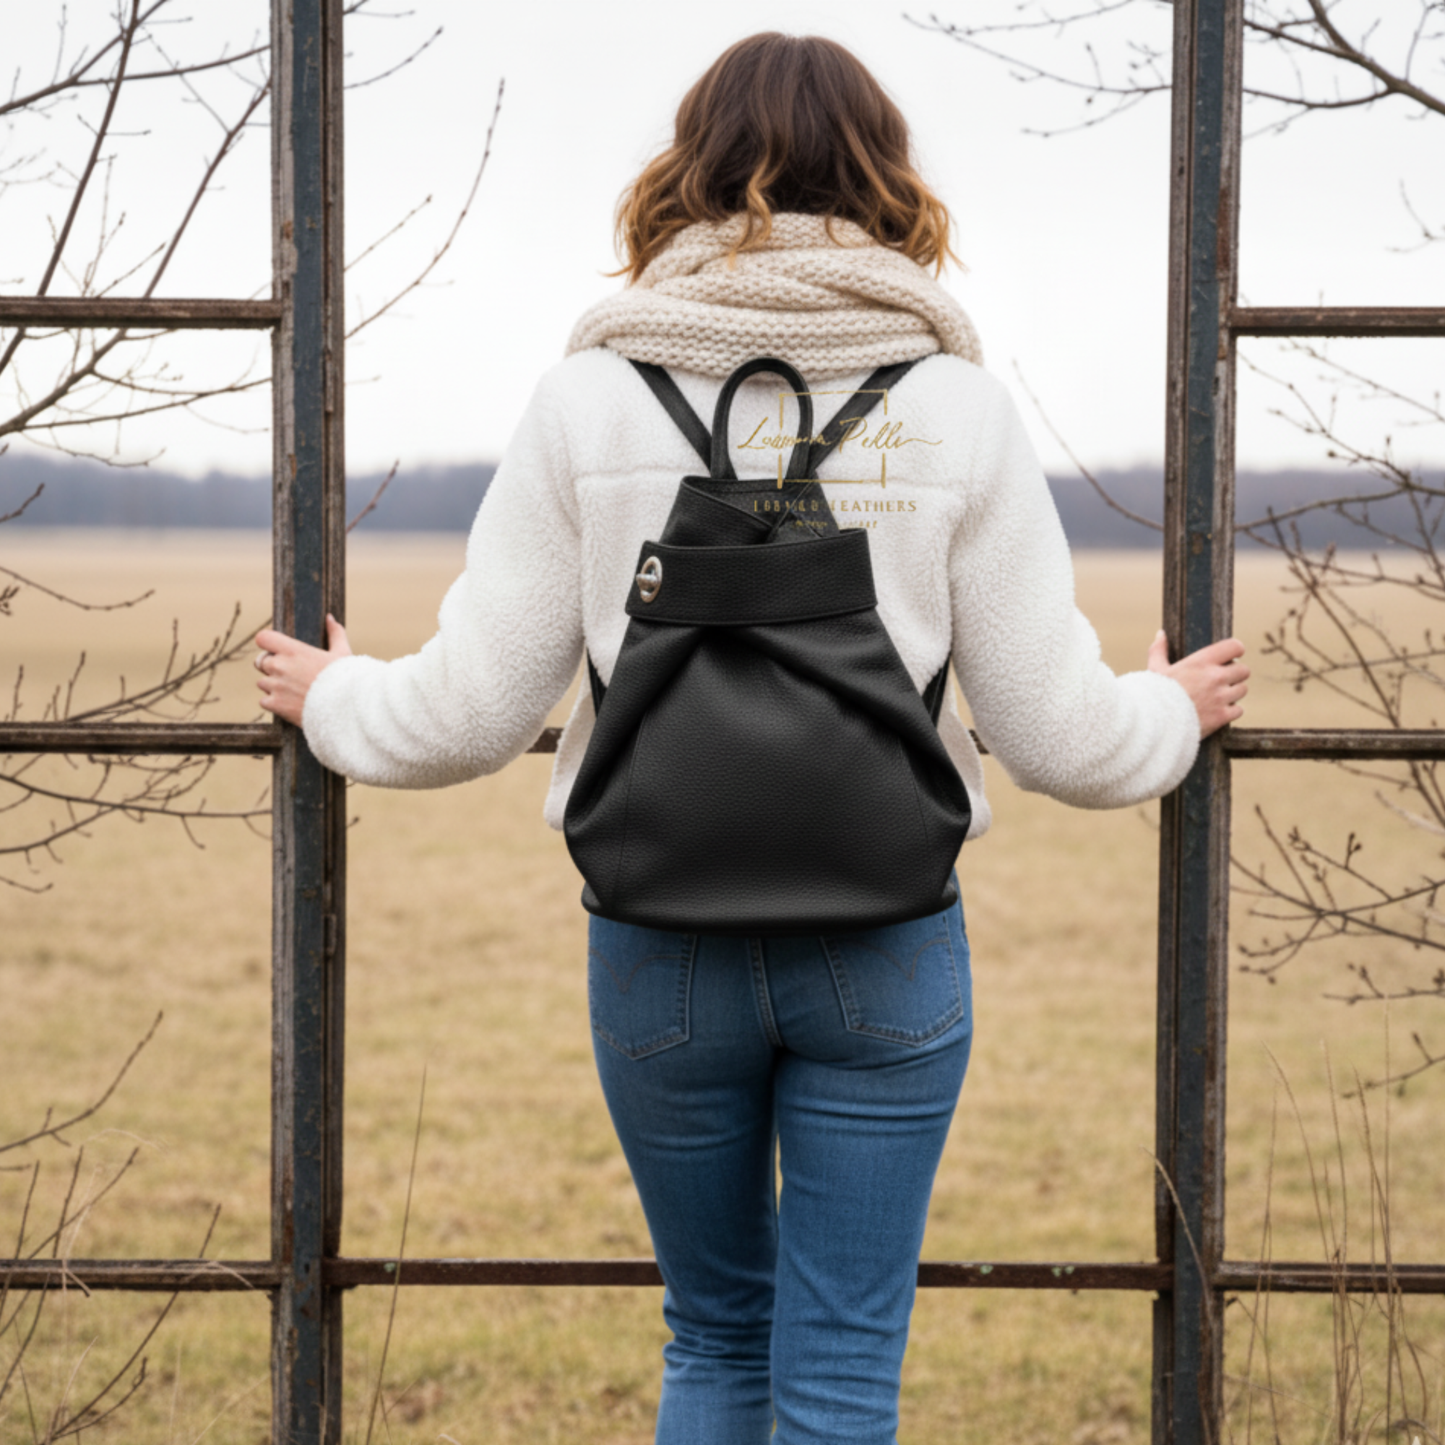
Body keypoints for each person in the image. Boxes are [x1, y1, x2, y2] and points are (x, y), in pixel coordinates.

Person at [254, 31, 1248, 1445]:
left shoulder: (588, 399)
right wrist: (1172, 711)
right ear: (887, 177)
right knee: (838, 1373)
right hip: (884, 939)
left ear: (689, 171)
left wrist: (332, 697)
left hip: (659, 941)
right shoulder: (953, 409)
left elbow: (469, 714)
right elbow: (1060, 740)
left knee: (716, 1334)